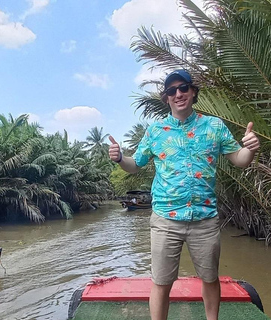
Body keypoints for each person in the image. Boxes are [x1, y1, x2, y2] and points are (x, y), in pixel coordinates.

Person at [108, 69, 260, 320]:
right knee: (161, 281)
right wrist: (120, 158)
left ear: (193, 92)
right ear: (166, 98)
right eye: (171, 91)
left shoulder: (214, 126)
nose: (178, 94)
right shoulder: (155, 131)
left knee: (210, 278)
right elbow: (135, 164)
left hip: (205, 218)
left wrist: (250, 148)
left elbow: (240, 160)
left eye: (183, 88)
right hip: (165, 219)